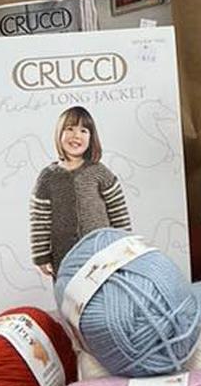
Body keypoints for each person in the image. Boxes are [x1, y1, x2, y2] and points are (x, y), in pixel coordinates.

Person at [31, 106, 130, 275]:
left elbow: (118, 212)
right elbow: (39, 220)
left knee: (105, 287)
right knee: (69, 288)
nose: (76, 135)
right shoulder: (47, 177)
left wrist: (125, 246)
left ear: (91, 138)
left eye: (83, 131)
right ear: (59, 134)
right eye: (69, 129)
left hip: (102, 253)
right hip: (64, 256)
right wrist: (41, 257)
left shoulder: (99, 172)